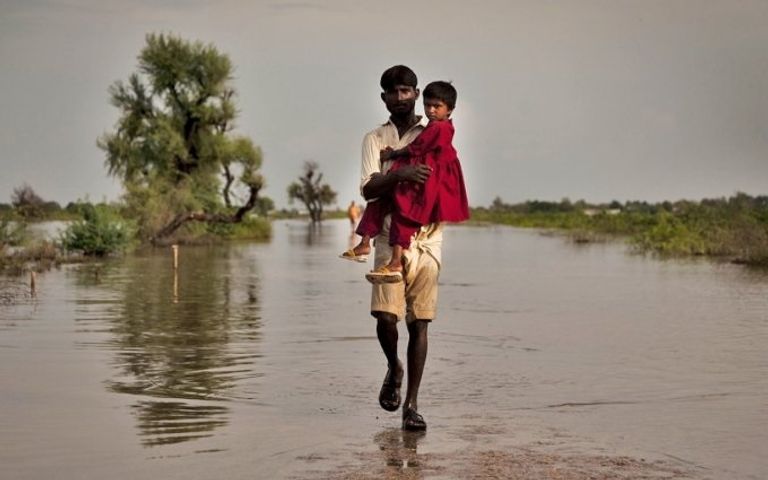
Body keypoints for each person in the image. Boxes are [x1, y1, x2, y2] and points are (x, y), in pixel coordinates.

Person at [354, 65, 445, 431]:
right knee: (385, 317)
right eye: (393, 92)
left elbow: (445, 177)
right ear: (384, 98)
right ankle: (394, 365)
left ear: (417, 93)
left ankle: (412, 404)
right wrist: (401, 175)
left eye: (406, 91)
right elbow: (368, 187)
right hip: (389, 235)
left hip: (428, 238)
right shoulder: (375, 138)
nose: (400, 98)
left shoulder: (435, 132)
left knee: (419, 321)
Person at [340, 81, 468, 282]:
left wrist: (394, 154)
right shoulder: (376, 136)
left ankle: (395, 260)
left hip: (424, 183)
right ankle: (365, 243)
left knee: (402, 214)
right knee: (379, 202)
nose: (431, 110)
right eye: (428, 106)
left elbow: (416, 147)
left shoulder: (439, 129)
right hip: (412, 179)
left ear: (450, 110)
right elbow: (369, 189)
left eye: (437, 106)